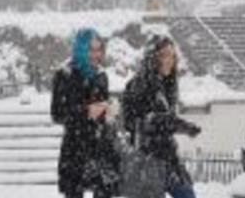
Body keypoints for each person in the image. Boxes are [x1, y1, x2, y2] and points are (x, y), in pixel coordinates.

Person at [121, 34, 202, 198]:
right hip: (146, 158)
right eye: (164, 55)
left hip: (168, 156)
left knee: (187, 194)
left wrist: (175, 124)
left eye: (172, 55)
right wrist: (181, 125)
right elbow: (144, 121)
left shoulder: (168, 84)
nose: (170, 60)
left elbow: (163, 119)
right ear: (153, 57)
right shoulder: (139, 84)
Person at [51, 28, 122, 198]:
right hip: (75, 148)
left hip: (100, 147)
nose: (95, 55)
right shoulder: (64, 74)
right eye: (91, 49)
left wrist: (109, 111)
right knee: (74, 192)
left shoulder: (101, 75)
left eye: (98, 50)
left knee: (105, 191)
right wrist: (86, 111)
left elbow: (101, 108)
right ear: (81, 49)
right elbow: (57, 113)